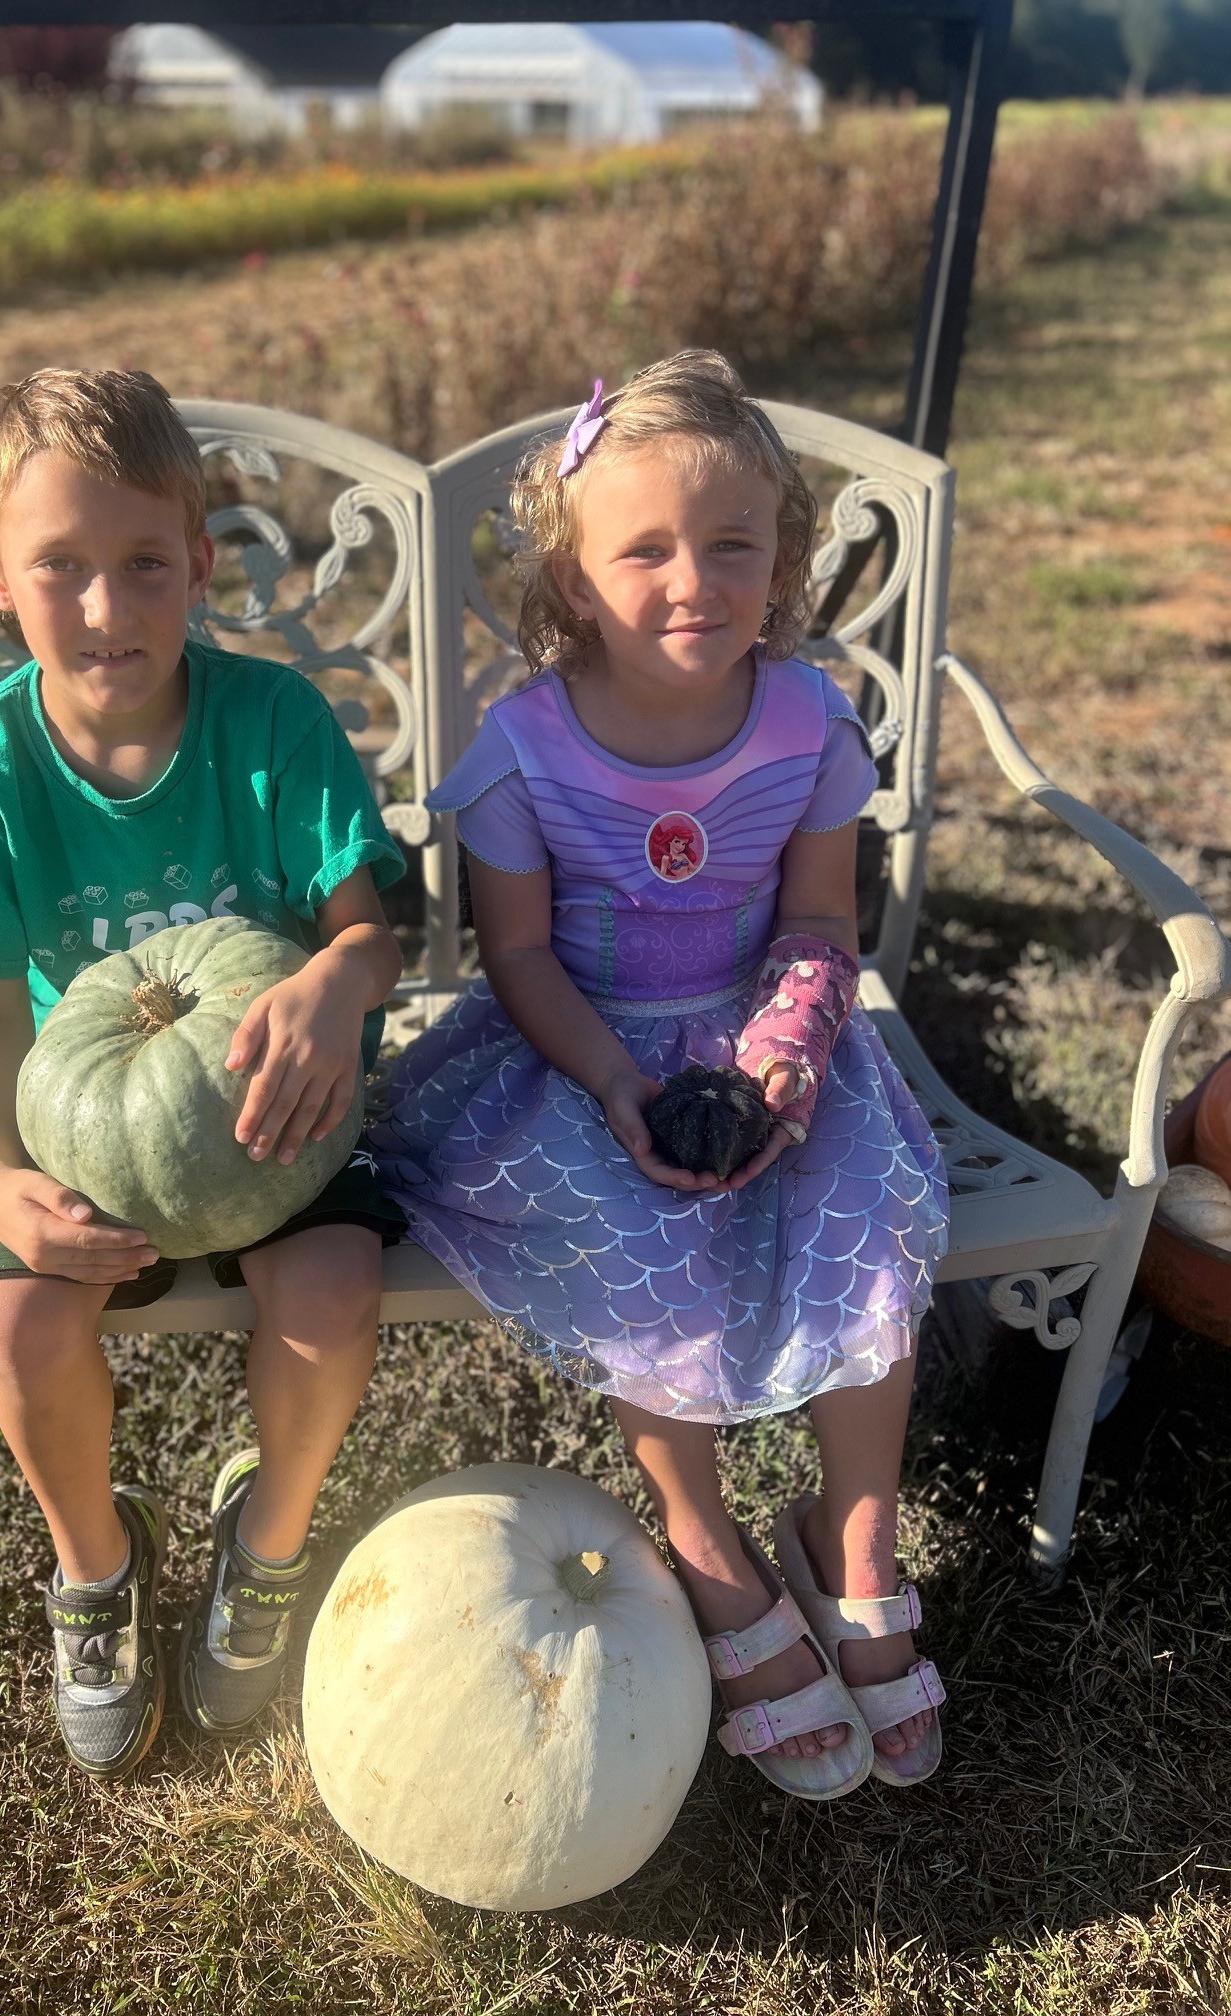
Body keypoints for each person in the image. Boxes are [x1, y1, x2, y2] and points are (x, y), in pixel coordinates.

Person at [372, 353, 949, 1801]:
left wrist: (780, 1061)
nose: (693, 580)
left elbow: (821, 922)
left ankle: (855, 1545)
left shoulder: (807, 725)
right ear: (572, 580)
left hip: (769, 1034)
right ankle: (706, 1543)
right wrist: (623, 1086)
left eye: (733, 545)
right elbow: (517, 958)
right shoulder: (523, 751)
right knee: (650, 1251)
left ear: (784, 561)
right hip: (572, 1051)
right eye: (642, 550)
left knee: (863, 1225)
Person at [0, 368, 405, 1778]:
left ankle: (270, 1545)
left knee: (330, 1292)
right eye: (64, 568)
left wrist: (334, 981)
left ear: (201, 562)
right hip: (81, 1129)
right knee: (19, 1330)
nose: (108, 608)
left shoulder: (274, 727)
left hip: (276, 1111)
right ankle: (97, 1572)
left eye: (142, 566)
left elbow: (372, 931)